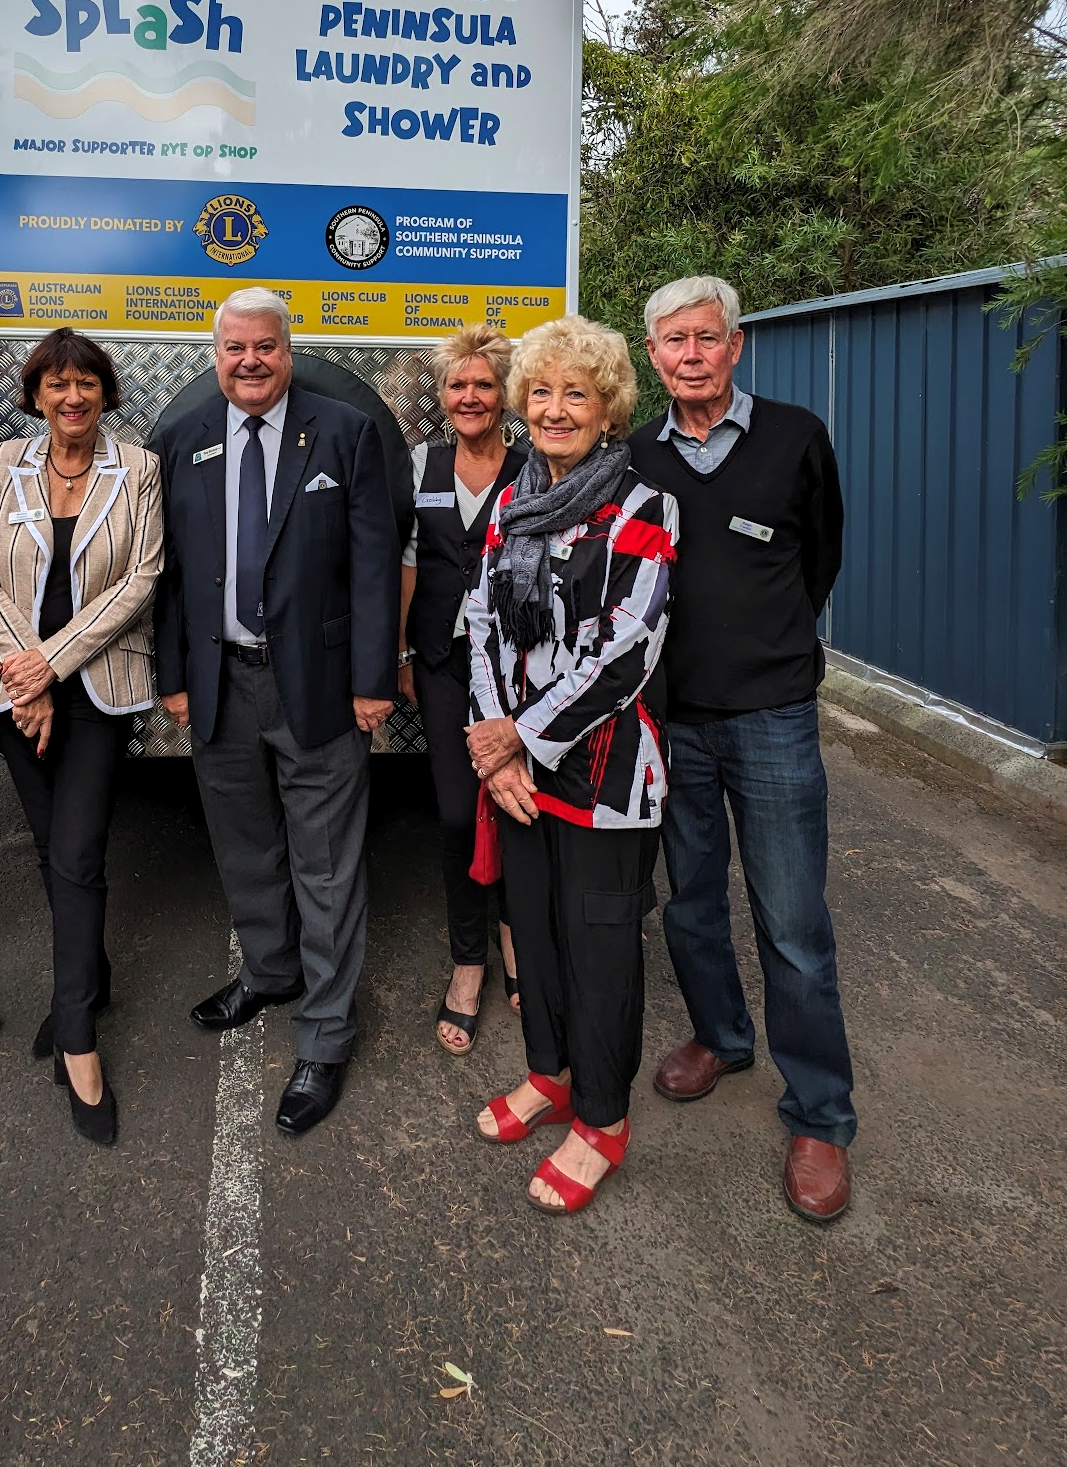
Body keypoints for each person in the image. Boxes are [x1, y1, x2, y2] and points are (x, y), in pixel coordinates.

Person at [628, 275, 854, 1223]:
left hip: (771, 716)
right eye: (673, 340)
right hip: (672, 718)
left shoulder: (796, 438)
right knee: (689, 902)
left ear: (736, 345)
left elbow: (821, 561)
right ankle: (720, 1037)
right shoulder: (635, 455)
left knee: (793, 923)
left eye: (705, 338)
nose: (690, 354)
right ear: (652, 357)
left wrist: (775, 647)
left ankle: (820, 1113)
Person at [154, 287, 400, 1135]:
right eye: (235, 349)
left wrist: (375, 680)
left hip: (320, 687)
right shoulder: (180, 442)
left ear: (288, 351)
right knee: (245, 844)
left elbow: (373, 568)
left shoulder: (344, 432)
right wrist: (175, 676)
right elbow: (171, 574)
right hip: (219, 682)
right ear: (214, 354)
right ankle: (269, 969)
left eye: (265, 347)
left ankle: (327, 1033)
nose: (250, 362)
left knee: (325, 862)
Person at [467, 317, 678, 1216]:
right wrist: (488, 737)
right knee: (536, 933)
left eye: (575, 394)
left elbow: (626, 650)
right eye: (541, 393)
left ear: (608, 408)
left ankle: (601, 1119)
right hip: (513, 766)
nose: (555, 410)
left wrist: (519, 736)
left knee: (598, 951)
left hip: (601, 771)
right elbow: (476, 618)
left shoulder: (642, 506)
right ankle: (548, 1076)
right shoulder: (514, 498)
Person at [0, 329, 162, 1145]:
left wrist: (50, 665)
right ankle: (94, 980)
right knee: (53, 853)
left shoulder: (139, 468)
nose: (71, 398)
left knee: (76, 855)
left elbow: (142, 578)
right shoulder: (3, 464)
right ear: (35, 394)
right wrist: (24, 668)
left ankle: (77, 1035)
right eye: (56, 385)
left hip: (97, 690)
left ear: (105, 393)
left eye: (85, 384)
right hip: (14, 689)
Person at [396, 324, 528, 1054]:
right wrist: (403, 652)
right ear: (442, 397)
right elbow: (408, 565)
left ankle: (517, 942)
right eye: (457, 385)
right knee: (455, 814)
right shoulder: (422, 464)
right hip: (445, 662)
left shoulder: (538, 464)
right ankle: (467, 960)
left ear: (504, 393)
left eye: (483, 384)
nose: (470, 397)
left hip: (521, 672)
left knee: (517, 808)